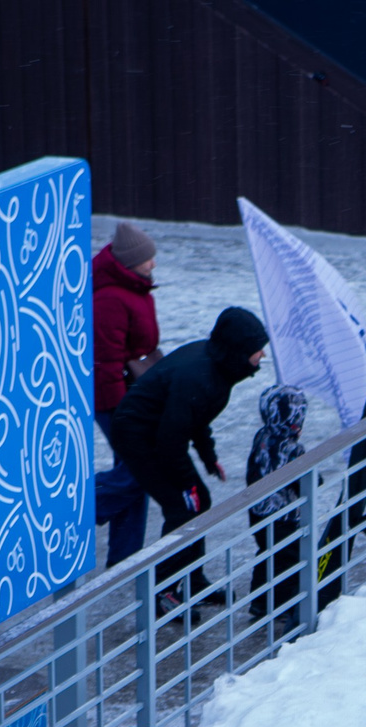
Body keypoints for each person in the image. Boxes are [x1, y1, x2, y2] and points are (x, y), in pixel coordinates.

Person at [105, 307, 270, 580]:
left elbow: (196, 416)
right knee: (181, 507)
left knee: (198, 501)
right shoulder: (199, 376)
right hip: (137, 436)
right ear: (238, 349)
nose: (263, 354)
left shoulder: (220, 367)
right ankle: (163, 587)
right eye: (257, 348)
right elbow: (172, 439)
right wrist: (186, 483)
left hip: (160, 432)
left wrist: (208, 456)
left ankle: (193, 579)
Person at [92, 223, 161, 564]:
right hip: (115, 397)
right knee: (141, 467)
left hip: (132, 390)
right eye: (148, 259)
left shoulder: (132, 288)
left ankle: (124, 557)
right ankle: (85, 504)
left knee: (136, 468)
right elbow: (106, 360)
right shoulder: (110, 298)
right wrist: (122, 411)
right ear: (131, 261)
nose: (153, 264)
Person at [243, 385, 308, 617]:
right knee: (288, 555)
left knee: (267, 551)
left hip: (259, 511)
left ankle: (260, 600)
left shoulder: (262, 436)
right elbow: (306, 480)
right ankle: (280, 603)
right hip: (283, 514)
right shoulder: (291, 448)